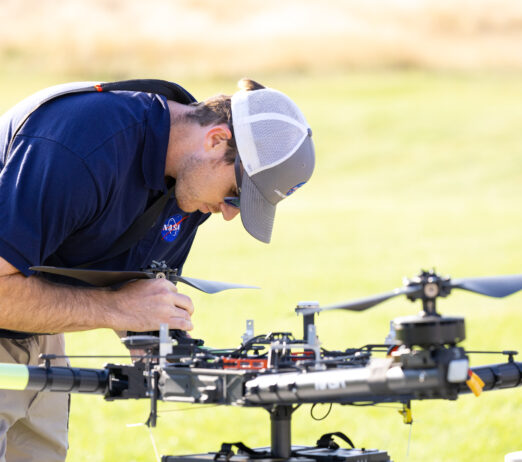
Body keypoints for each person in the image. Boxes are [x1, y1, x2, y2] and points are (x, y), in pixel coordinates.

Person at [0, 77, 315, 461]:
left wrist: (171, 350)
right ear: (216, 140)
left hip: (34, 319)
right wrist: (116, 308)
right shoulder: (81, 147)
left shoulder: (190, 187)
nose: (230, 214)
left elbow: (140, 294)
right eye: (236, 195)